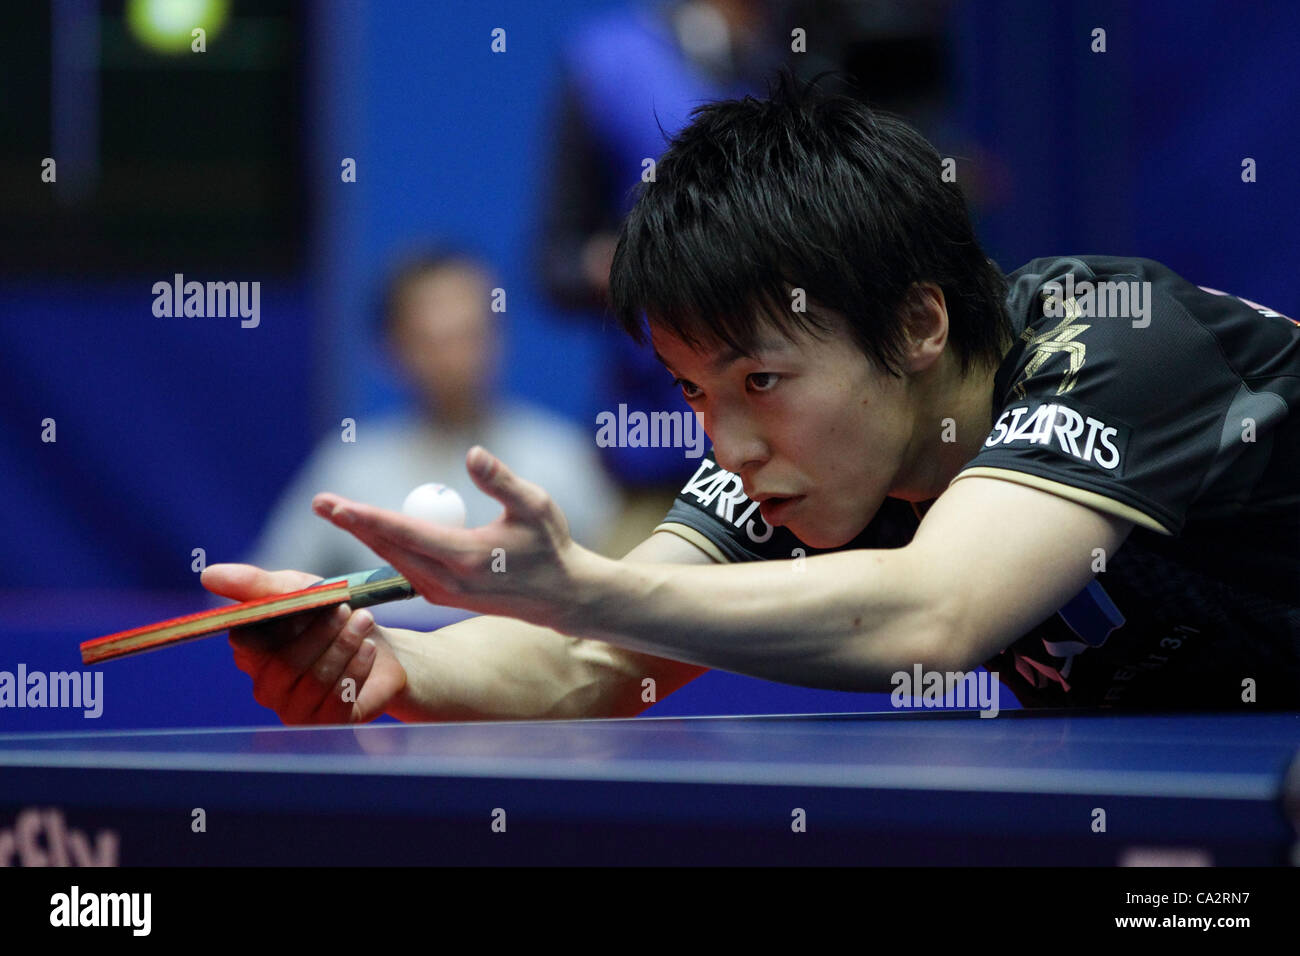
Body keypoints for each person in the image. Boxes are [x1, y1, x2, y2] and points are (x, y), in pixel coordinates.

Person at [206, 75, 1299, 723]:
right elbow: (593, 659)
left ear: (918, 326)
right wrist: (397, 663)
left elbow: (935, 608)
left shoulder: (1110, 341)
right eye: (690, 389)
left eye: (759, 380)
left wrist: (581, 586)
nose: (724, 443)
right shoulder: (815, 455)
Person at [245, 250, 622, 582]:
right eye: (434, 340)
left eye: (470, 334)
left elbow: (619, 588)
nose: (455, 358)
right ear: (392, 348)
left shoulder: (561, 456)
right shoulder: (349, 470)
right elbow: (270, 586)